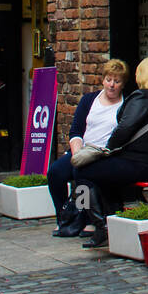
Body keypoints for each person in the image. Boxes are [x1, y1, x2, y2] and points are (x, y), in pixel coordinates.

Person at [74, 55, 148, 249]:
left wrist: (107, 149)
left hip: (141, 165)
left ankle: (102, 226)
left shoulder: (142, 96)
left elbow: (124, 128)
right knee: (106, 175)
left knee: (83, 172)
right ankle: (114, 220)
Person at [48, 58, 127, 237]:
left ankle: (86, 218)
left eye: (117, 81)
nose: (112, 85)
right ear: (103, 80)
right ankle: (64, 215)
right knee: (55, 173)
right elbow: (76, 130)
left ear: (123, 84)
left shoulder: (125, 106)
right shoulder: (89, 100)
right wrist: (77, 154)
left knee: (81, 175)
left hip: (103, 154)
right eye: (109, 80)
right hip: (82, 150)